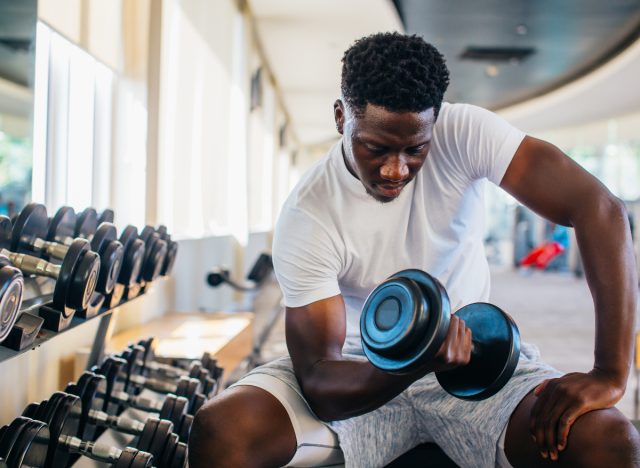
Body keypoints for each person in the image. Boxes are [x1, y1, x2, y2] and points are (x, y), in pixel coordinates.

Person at [189, 33, 640, 467]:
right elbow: (320, 380)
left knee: (610, 440)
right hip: (355, 371)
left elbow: (600, 210)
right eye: (376, 147)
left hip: (474, 362)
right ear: (341, 118)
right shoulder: (309, 214)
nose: (395, 169)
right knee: (223, 429)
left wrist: (610, 373)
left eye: (415, 149)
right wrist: (416, 360)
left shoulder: (466, 132)